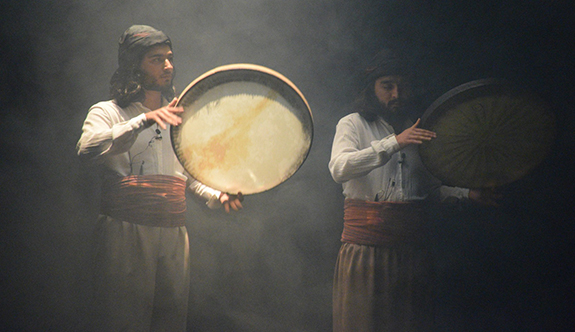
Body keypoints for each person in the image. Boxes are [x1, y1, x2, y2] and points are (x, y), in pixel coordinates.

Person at [76, 25, 243, 331]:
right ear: (133, 66)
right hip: (125, 233)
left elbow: (187, 176)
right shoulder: (108, 112)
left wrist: (217, 195)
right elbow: (86, 149)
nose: (168, 66)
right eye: (156, 59)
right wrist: (143, 120)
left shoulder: (179, 118)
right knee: (122, 320)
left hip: (172, 234)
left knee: (170, 321)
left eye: (169, 58)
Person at [328, 49, 498, 332]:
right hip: (365, 252)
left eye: (402, 86)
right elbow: (339, 168)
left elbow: (428, 191)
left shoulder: (417, 129)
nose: (396, 94)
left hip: (412, 255)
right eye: (387, 86)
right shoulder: (353, 123)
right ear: (371, 88)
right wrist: (394, 142)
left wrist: (468, 194)